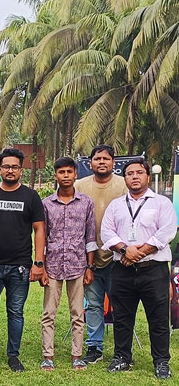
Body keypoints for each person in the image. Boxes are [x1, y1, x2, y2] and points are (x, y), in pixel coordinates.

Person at [101, 158, 177, 380]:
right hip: (123, 271)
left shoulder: (161, 203)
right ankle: (122, 357)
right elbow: (106, 232)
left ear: (147, 176)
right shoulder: (116, 205)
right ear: (124, 178)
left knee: (158, 318)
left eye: (139, 172)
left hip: (154, 270)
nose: (134, 176)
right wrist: (126, 250)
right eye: (129, 173)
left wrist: (138, 253)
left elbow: (166, 232)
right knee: (122, 317)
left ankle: (161, 362)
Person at [0, 148, 46, 373]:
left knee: (15, 313)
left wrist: (39, 263)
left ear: (21, 170)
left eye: (15, 167)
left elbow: (39, 230)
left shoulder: (31, 196)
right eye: (6, 166)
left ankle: (13, 356)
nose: (10, 170)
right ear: (0, 168)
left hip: (21, 266)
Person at [40, 157, 97, 372]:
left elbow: (90, 237)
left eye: (69, 172)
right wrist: (42, 267)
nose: (65, 175)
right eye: (61, 172)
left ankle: (77, 356)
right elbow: (42, 238)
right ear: (55, 175)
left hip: (78, 265)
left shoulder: (86, 203)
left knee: (78, 313)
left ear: (75, 174)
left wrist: (89, 267)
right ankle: (48, 356)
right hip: (53, 266)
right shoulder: (46, 204)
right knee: (49, 313)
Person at [73, 145, 128, 364]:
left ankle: (122, 350)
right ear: (91, 163)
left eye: (106, 158)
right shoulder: (80, 185)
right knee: (94, 304)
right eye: (97, 159)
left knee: (120, 304)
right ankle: (95, 347)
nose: (102, 162)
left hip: (118, 256)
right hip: (89, 257)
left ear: (113, 163)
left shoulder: (123, 185)